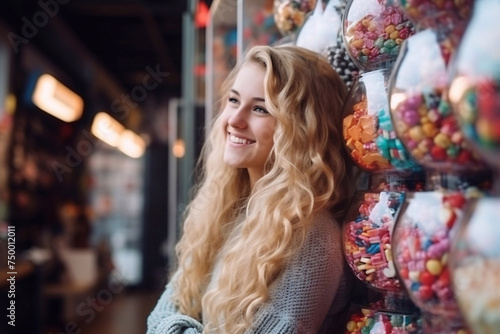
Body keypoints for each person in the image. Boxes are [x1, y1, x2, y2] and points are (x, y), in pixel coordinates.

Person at [147, 45, 356, 334]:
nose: (235, 120)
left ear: (303, 129)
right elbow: (161, 313)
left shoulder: (314, 239)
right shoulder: (227, 208)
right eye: (233, 100)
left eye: (260, 108)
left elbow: (164, 322)